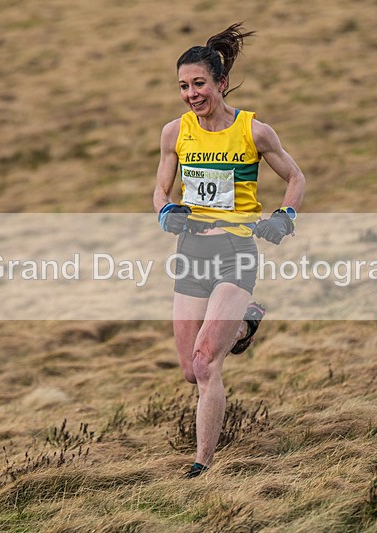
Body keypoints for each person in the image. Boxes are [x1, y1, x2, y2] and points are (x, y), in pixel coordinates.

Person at [152, 22, 305, 478]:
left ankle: (202, 464)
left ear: (220, 83)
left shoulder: (253, 131)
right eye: (183, 86)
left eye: (199, 84)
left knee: (205, 362)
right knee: (188, 369)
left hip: (236, 252)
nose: (191, 94)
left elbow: (295, 178)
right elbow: (160, 189)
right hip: (191, 252)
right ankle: (245, 323)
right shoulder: (174, 133)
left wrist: (285, 217)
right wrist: (165, 213)